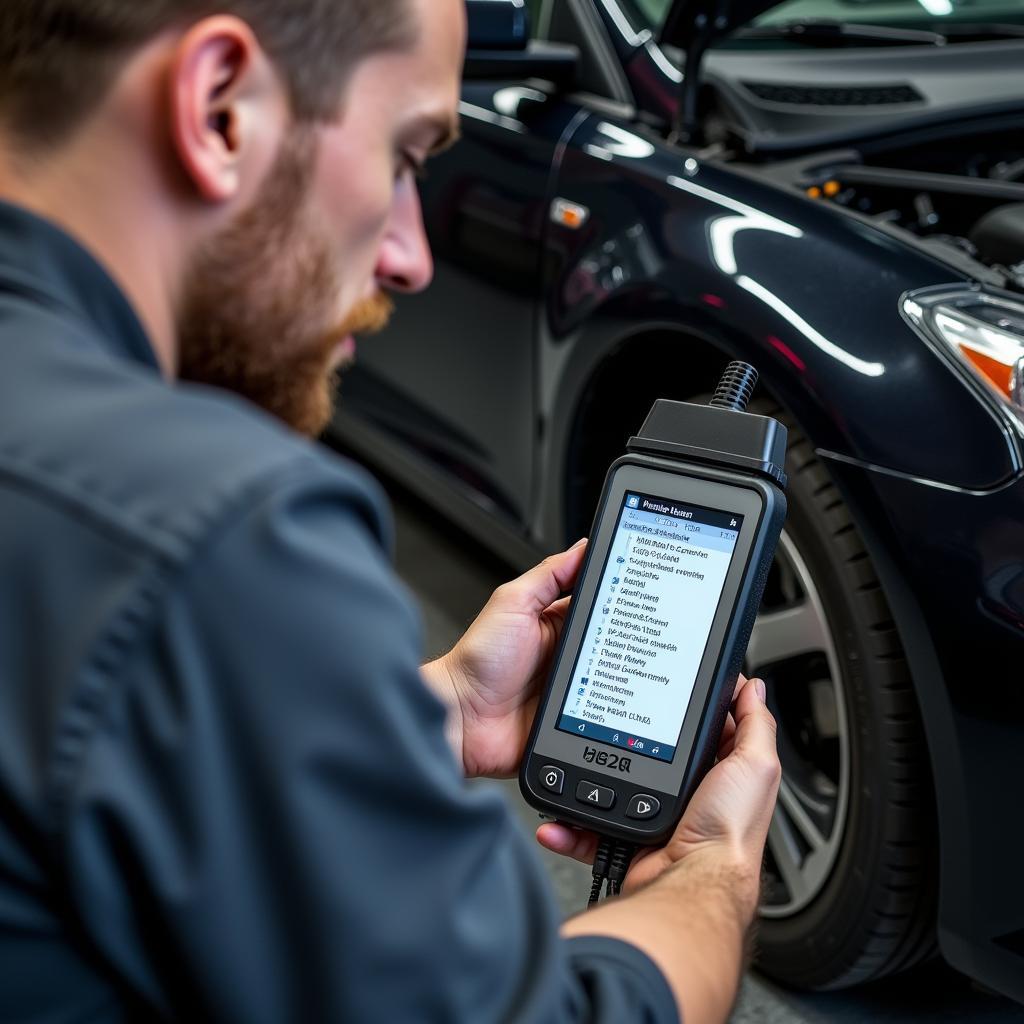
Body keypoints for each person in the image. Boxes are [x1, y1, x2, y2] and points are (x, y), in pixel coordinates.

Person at [0, 1, 781, 1021]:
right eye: (406, 154)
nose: (410, 254)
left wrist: (429, 709)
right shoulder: (219, 529)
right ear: (220, 106)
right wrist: (712, 876)